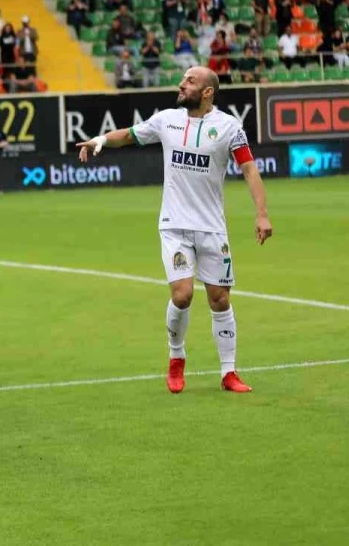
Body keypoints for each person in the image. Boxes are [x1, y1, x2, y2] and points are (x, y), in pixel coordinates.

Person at [77, 67, 272, 395]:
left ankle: (229, 372)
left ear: (207, 92)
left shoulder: (228, 128)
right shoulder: (167, 119)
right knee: (182, 294)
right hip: (174, 226)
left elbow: (250, 170)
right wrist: (100, 140)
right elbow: (129, 135)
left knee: (220, 298)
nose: (182, 84)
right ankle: (176, 356)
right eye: (183, 79)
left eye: (190, 81)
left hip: (212, 228)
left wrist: (262, 215)